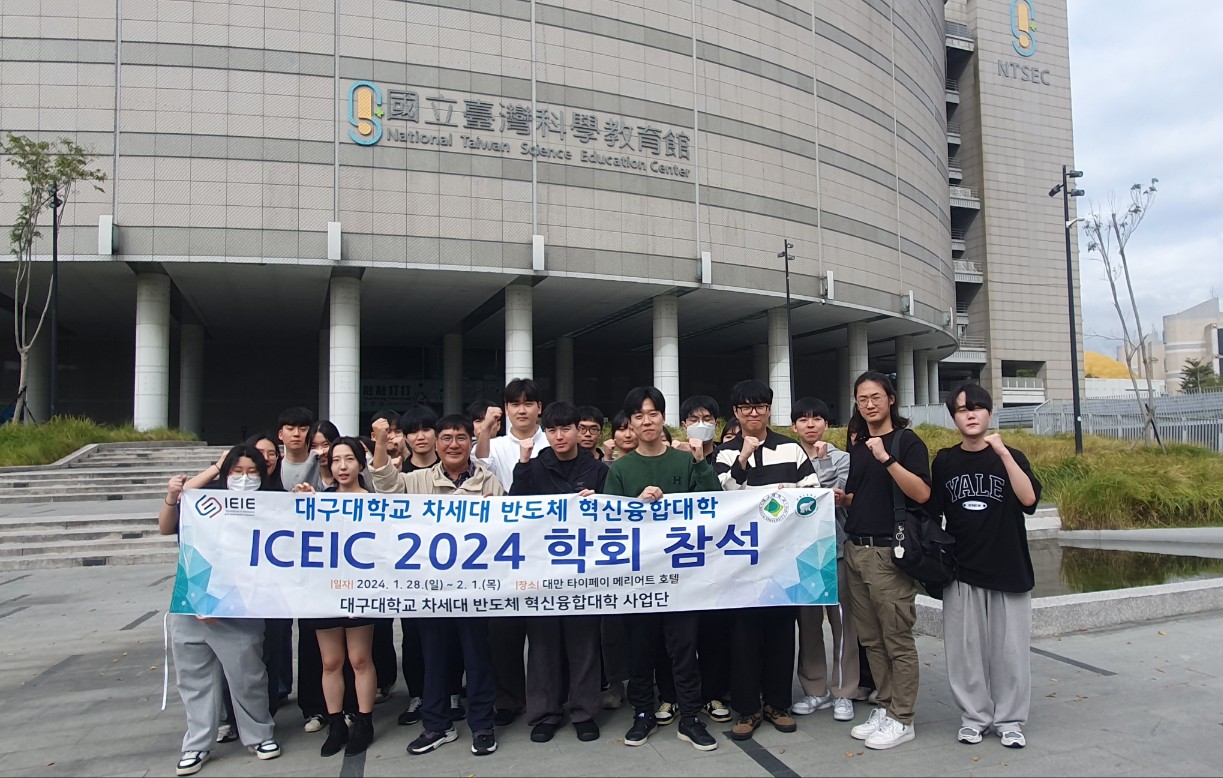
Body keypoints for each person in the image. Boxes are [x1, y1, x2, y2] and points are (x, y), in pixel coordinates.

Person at [370, 413, 504, 757]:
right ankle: (437, 725)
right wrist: (381, 442)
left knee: (477, 660)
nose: (453, 445)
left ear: (470, 442)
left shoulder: (489, 481)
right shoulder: (417, 480)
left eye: (461, 438)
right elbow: (385, 486)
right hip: (430, 591)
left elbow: (506, 530)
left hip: (475, 592)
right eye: (446, 438)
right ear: (436, 443)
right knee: (434, 659)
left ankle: (482, 725)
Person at [605, 386, 721, 752]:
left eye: (652, 413)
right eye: (638, 416)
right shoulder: (620, 469)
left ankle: (690, 717)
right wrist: (635, 506)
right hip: (638, 579)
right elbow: (609, 525)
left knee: (684, 650)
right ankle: (643, 713)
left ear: (663, 418)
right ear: (629, 423)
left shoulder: (684, 462)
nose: (646, 421)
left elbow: (715, 505)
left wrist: (700, 462)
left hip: (682, 578)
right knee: (641, 651)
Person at [159, 445, 281, 776]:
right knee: (195, 680)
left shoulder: (270, 507)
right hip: (191, 606)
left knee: (247, 676)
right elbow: (167, 525)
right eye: (237, 471)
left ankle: (259, 735)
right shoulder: (204, 504)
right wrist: (204, 475)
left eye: (252, 472)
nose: (244, 478)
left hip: (239, 609)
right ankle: (197, 743)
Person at [930, 383, 1040, 749]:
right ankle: (974, 717)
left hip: (1008, 567)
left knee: (1010, 653)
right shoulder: (945, 461)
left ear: (989, 413)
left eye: (977, 407)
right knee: (965, 652)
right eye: (962, 410)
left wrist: (1003, 453)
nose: (970, 414)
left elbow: (1029, 501)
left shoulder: (1011, 456)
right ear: (954, 418)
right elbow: (933, 514)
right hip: (962, 571)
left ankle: (1010, 720)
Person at [714, 379, 817, 742]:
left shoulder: (791, 449)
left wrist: (793, 494)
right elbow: (724, 496)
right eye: (745, 407)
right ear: (736, 412)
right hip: (740, 563)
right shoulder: (725, 453)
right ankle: (747, 709)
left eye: (759, 406)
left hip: (782, 561)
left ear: (770, 410)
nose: (753, 413)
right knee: (743, 636)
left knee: (780, 633)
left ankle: (778, 704)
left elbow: (812, 495)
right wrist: (743, 456)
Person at [836, 371, 931, 750]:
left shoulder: (907, 442)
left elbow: (921, 493)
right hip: (856, 549)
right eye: (862, 399)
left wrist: (887, 458)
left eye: (876, 397)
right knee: (871, 639)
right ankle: (886, 705)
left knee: (897, 638)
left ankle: (903, 717)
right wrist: (843, 499)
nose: (869, 404)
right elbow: (861, 497)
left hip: (889, 552)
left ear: (891, 399)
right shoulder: (859, 447)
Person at [511, 401, 609, 744]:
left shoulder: (596, 469)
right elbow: (514, 509)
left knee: (584, 645)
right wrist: (523, 465)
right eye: (551, 430)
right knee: (542, 647)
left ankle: (584, 712)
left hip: (583, 571)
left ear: (579, 431)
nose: (559, 436)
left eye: (566, 429)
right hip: (541, 571)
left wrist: (598, 501)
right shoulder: (535, 466)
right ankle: (545, 714)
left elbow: (612, 515)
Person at [293, 438, 380, 757]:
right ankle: (336, 723)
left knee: (359, 659)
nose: (342, 467)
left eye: (349, 459)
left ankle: (364, 721)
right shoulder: (320, 500)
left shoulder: (375, 503)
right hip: (325, 592)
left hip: (361, 590)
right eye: (336, 460)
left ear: (361, 464)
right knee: (330, 661)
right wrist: (302, 505)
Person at [474, 378, 548, 726]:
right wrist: (486, 429)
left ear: (539, 408)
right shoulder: (496, 445)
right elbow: (480, 464)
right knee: (503, 632)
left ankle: (547, 698)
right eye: (515, 404)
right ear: (506, 409)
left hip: (544, 547)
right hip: (503, 550)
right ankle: (508, 699)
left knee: (544, 632)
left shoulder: (551, 441)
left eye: (528, 403)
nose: (522, 410)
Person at [394, 403, 467, 725]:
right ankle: (418, 696)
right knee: (414, 637)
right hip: (414, 572)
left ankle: (452, 693)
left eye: (426, 429)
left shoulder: (456, 469)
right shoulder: (402, 474)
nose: (420, 436)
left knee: (452, 637)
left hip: (456, 572)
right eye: (413, 431)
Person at [788, 397, 859, 724]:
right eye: (803, 419)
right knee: (809, 624)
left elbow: (832, 496)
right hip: (803, 554)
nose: (810, 424)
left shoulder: (843, 458)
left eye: (817, 419)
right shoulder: (787, 457)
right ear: (794, 427)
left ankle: (844, 691)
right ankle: (815, 689)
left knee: (843, 623)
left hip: (837, 548)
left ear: (826, 425)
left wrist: (822, 460)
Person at [673, 395, 731, 725]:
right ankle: (675, 697)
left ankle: (713, 693)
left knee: (713, 633)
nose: (700, 424)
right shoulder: (673, 457)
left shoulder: (729, 455)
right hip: (681, 558)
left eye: (707, 418)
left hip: (718, 560)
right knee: (680, 637)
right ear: (683, 425)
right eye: (694, 419)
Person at [276, 406, 320, 492]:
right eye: (290, 429)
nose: (296, 434)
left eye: (303, 429)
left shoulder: (320, 466)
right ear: (280, 434)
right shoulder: (273, 468)